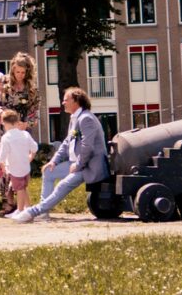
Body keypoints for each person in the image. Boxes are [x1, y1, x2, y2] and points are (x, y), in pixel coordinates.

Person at [11, 88, 110, 222]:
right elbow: (66, 143)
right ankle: (43, 213)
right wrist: (54, 161)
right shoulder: (75, 118)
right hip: (76, 163)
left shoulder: (86, 119)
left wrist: (78, 165)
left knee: (63, 185)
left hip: (88, 166)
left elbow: (88, 147)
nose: (63, 103)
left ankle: (33, 212)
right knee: (48, 172)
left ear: (77, 101)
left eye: (66, 100)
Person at [0, 54, 40, 214]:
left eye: (23, 72)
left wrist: (27, 123)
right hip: (2, 127)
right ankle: (7, 201)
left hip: (21, 130)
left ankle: (21, 204)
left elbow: (34, 112)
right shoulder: (2, 82)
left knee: (19, 165)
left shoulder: (31, 89)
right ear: (12, 69)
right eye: (17, 72)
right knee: (3, 164)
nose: (20, 75)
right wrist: (2, 112)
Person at [0, 109, 37, 212]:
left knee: (19, 189)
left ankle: (20, 210)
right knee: (24, 187)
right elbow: (34, 148)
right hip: (26, 167)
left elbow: (2, 157)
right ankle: (28, 208)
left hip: (14, 168)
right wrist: (30, 157)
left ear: (4, 123)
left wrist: (3, 167)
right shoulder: (25, 134)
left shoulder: (6, 137)